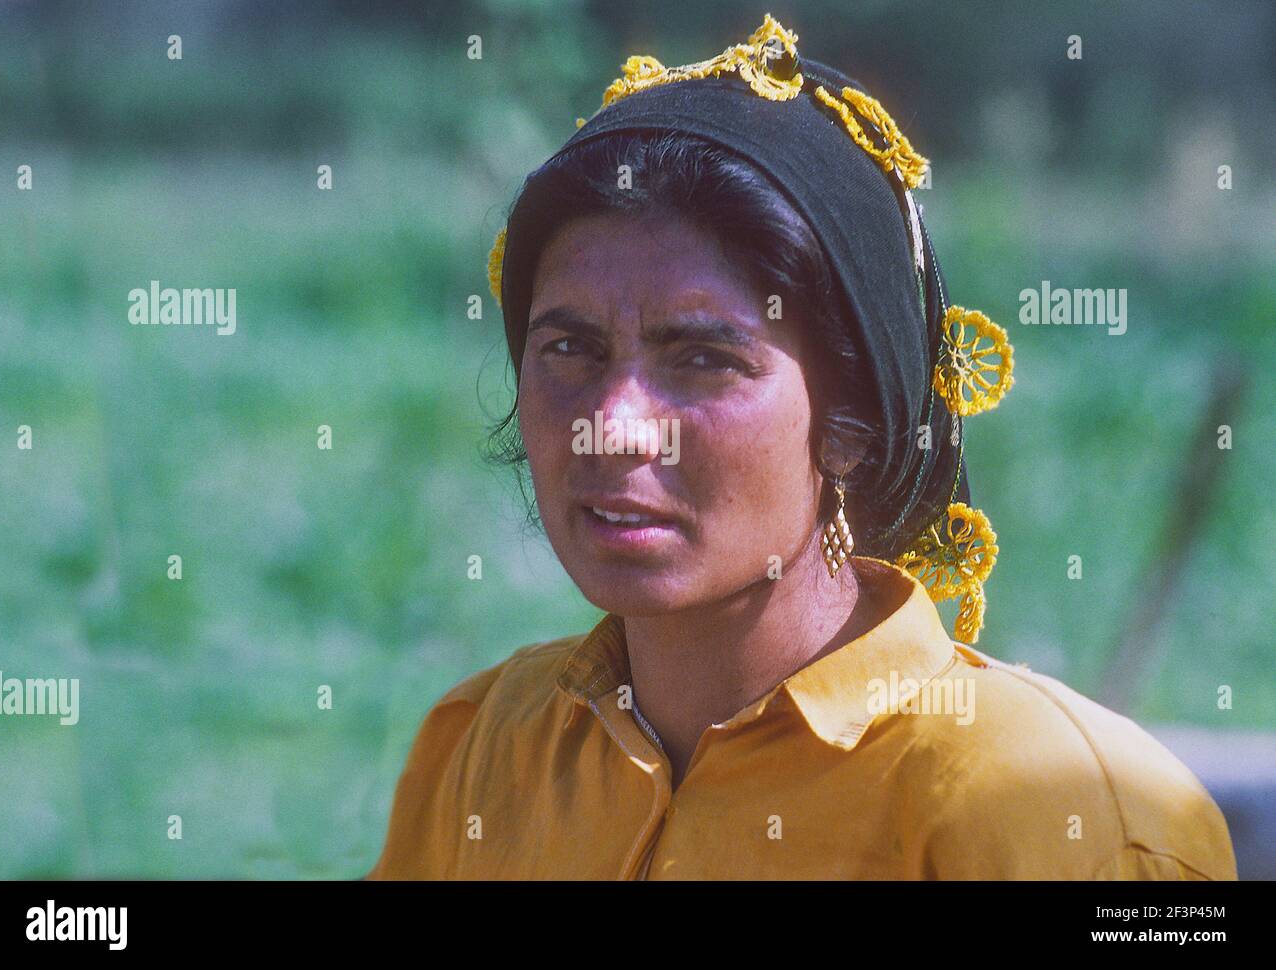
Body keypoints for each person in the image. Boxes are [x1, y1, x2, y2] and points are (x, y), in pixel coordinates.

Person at [367, 14, 1237, 880]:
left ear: (851, 426)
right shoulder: (483, 749)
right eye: (569, 349)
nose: (614, 421)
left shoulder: (1068, 819)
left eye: (704, 359)